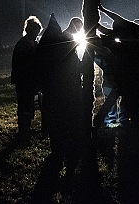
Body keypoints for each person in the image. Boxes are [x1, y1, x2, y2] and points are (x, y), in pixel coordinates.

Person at [35, 14, 86, 170]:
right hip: (64, 88)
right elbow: (70, 65)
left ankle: (59, 145)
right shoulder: (64, 41)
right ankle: (65, 144)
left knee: (56, 118)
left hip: (53, 88)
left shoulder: (55, 43)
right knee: (64, 117)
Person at [98, 3, 139, 127]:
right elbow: (117, 22)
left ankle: (133, 125)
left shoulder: (129, 45)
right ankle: (137, 122)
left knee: (133, 100)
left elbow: (112, 39)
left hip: (137, 73)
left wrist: (100, 35)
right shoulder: (135, 30)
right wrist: (103, 10)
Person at [11, 15, 43, 139]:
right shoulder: (24, 44)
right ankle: (23, 129)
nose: (37, 34)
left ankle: (26, 127)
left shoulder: (30, 43)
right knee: (25, 104)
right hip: (24, 80)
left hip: (28, 79)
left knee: (29, 104)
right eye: (36, 32)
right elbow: (26, 63)